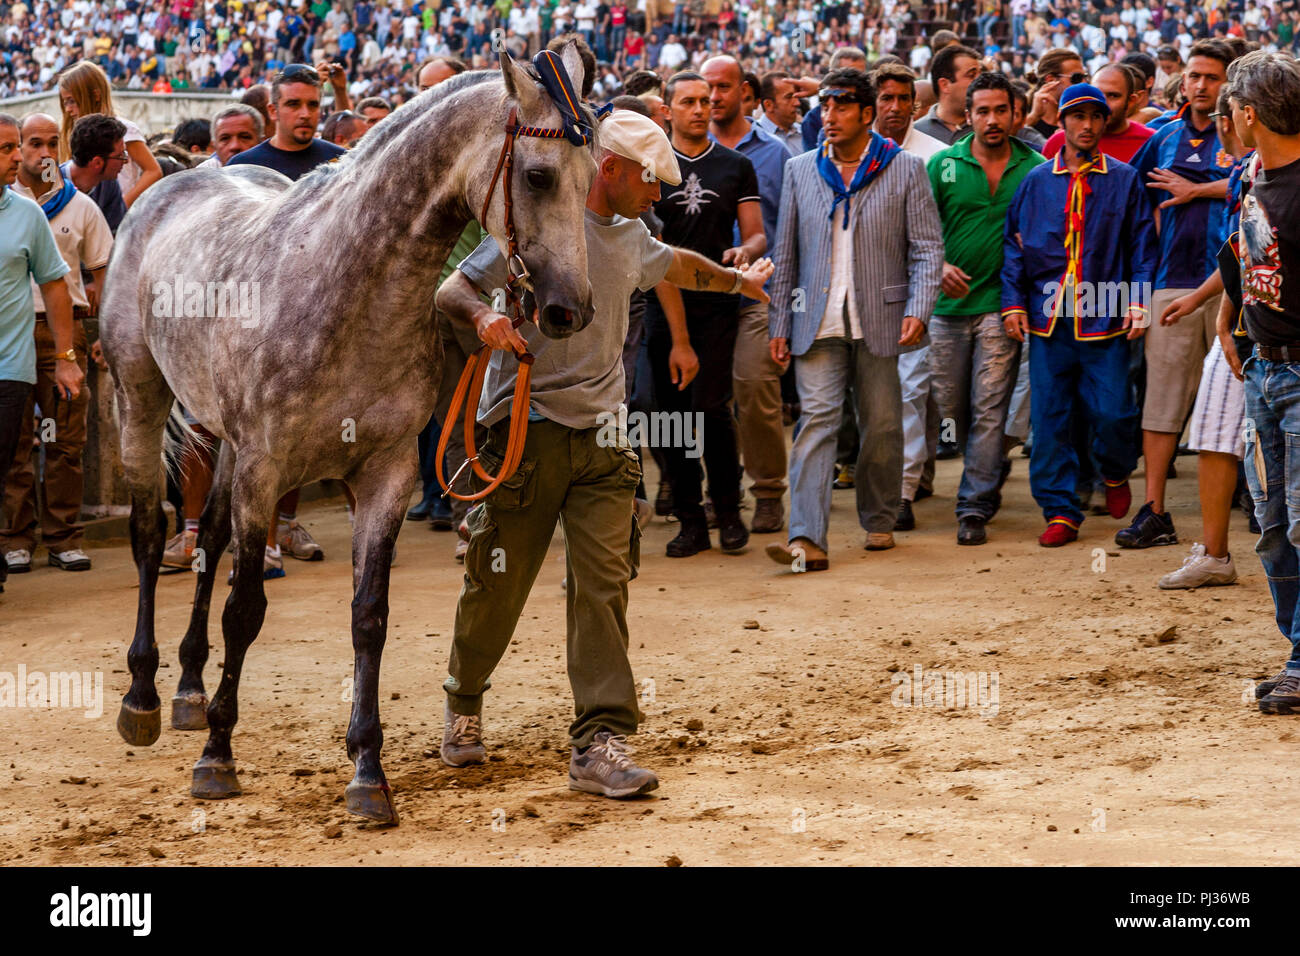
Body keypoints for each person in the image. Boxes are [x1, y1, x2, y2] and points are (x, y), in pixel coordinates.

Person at [436, 109, 772, 795]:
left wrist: (741, 283)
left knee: (602, 589)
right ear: (610, 169)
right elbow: (454, 288)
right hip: (523, 432)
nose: (661, 196)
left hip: (606, 435)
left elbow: (680, 266)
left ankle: (600, 741)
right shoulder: (532, 228)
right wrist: (486, 318)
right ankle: (464, 700)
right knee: (496, 584)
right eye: (651, 182)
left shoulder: (634, 236)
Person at [766, 68, 943, 571]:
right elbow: (788, 252)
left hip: (882, 318)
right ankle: (805, 538)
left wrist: (918, 307)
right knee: (816, 422)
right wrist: (781, 322)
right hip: (815, 320)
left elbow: (927, 250)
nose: (830, 117)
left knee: (882, 425)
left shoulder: (904, 168)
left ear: (867, 115)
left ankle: (880, 517)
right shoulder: (801, 168)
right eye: (825, 107)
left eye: (842, 107)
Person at [1001, 83, 1156, 547]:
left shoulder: (1125, 179)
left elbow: (1142, 247)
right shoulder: (1035, 180)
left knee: (1113, 411)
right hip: (1049, 318)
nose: (1086, 125)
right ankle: (1060, 510)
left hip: (1104, 310)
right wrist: (1012, 302)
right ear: (1062, 122)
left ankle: (1113, 470)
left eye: (1095, 117)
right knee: (1051, 417)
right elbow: (1014, 247)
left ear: (1104, 122)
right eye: (1077, 116)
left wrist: (1138, 300)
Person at [226, 63, 348, 575]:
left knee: (302, 430)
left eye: (313, 105)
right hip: (256, 325)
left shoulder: (343, 165)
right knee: (256, 435)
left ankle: (287, 523)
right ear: (272, 110)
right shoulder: (241, 170)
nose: (305, 114)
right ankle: (257, 535)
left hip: (323, 324)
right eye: (294, 105)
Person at [643, 70, 766, 557]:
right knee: (668, 416)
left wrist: (745, 249)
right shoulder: (650, 167)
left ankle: (730, 514)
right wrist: (678, 338)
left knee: (714, 410)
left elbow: (756, 233)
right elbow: (653, 254)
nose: (701, 107)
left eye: (706, 99)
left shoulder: (736, 165)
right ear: (668, 111)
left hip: (718, 303)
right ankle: (691, 521)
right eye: (688, 101)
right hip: (662, 304)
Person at [1120, 40, 1233, 550]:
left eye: (1213, 76)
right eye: (1195, 75)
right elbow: (1134, 204)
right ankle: (1155, 510)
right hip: (1172, 284)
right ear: (1182, 81)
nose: (1202, 84)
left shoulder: (1248, 136)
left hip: (1239, 285)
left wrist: (1197, 190)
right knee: (1162, 401)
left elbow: (1263, 182)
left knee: (1246, 399)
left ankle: (1255, 501)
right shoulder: (1162, 139)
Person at [928, 72, 1045, 546]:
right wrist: (937, 263)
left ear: (1016, 113)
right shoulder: (942, 165)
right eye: (983, 111)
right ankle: (987, 466)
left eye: (1002, 110)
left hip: (1003, 306)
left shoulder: (1036, 167)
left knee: (990, 407)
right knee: (949, 405)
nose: (992, 120)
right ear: (968, 114)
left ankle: (972, 504)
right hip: (945, 308)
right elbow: (917, 230)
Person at [1, 113, 111, 576]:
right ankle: (14, 538)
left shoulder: (80, 206)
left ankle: (64, 537)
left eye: (52, 143)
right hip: (15, 333)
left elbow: (101, 271)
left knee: (66, 438)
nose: (43, 153)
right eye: (31, 144)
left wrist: (94, 336)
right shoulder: (15, 204)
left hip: (62, 332)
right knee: (16, 444)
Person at [1155, 85, 1252, 589]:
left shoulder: (1266, 171)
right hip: (1241, 320)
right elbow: (1239, 252)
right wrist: (1202, 302)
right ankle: (1214, 553)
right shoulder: (1243, 171)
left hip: (1263, 323)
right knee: (1215, 429)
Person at [1230, 51, 1300, 714]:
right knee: (1272, 526)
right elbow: (1244, 254)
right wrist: (1231, 313)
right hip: (1264, 370)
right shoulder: (1252, 176)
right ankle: (1297, 651)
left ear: (1250, 115)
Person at [702, 55, 790, 536]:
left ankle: (770, 491)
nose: (714, 97)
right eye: (706, 89)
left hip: (760, 294)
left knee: (756, 390)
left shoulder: (776, 154)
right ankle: (721, 493)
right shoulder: (686, 151)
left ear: (745, 92)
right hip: (703, 297)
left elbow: (788, 229)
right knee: (709, 402)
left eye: (723, 87)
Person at [872, 61, 944, 532]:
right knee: (872, 401)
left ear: (917, 104)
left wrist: (933, 282)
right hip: (862, 296)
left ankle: (902, 490)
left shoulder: (937, 156)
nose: (896, 108)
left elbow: (938, 235)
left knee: (910, 393)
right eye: (886, 99)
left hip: (916, 294)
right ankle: (879, 484)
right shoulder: (844, 154)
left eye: (904, 99)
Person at [56, 60, 162, 209]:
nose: (67, 109)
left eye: (72, 101)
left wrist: (122, 205)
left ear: (96, 96)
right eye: (65, 103)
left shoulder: (125, 130)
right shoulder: (74, 136)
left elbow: (153, 171)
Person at [1042, 64, 1155, 162]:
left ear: (1131, 101)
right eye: (1096, 93)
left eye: (1113, 96)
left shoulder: (1151, 142)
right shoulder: (1058, 142)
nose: (1103, 102)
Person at [59, 115, 128, 234]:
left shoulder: (109, 184)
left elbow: (117, 233)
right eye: (120, 156)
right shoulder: (53, 186)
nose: (126, 161)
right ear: (97, 163)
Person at [800, 47, 868, 152]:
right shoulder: (813, 120)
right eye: (849, 77)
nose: (857, 82)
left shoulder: (874, 109)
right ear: (832, 74)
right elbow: (813, 163)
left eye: (861, 76)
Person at [913, 44, 981, 145]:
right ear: (944, 85)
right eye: (971, 75)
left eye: (980, 75)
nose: (980, 82)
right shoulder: (917, 132)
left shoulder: (986, 129)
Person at [200, 104, 265, 168]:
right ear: (214, 145)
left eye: (244, 137)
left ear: (261, 142)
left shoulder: (273, 172)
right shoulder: (202, 175)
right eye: (225, 138)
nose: (234, 146)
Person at [756, 70, 804, 155]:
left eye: (796, 96)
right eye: (789, 97)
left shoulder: (804, 133)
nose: (797, 103)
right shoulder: (755, 138)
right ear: (768, 105)